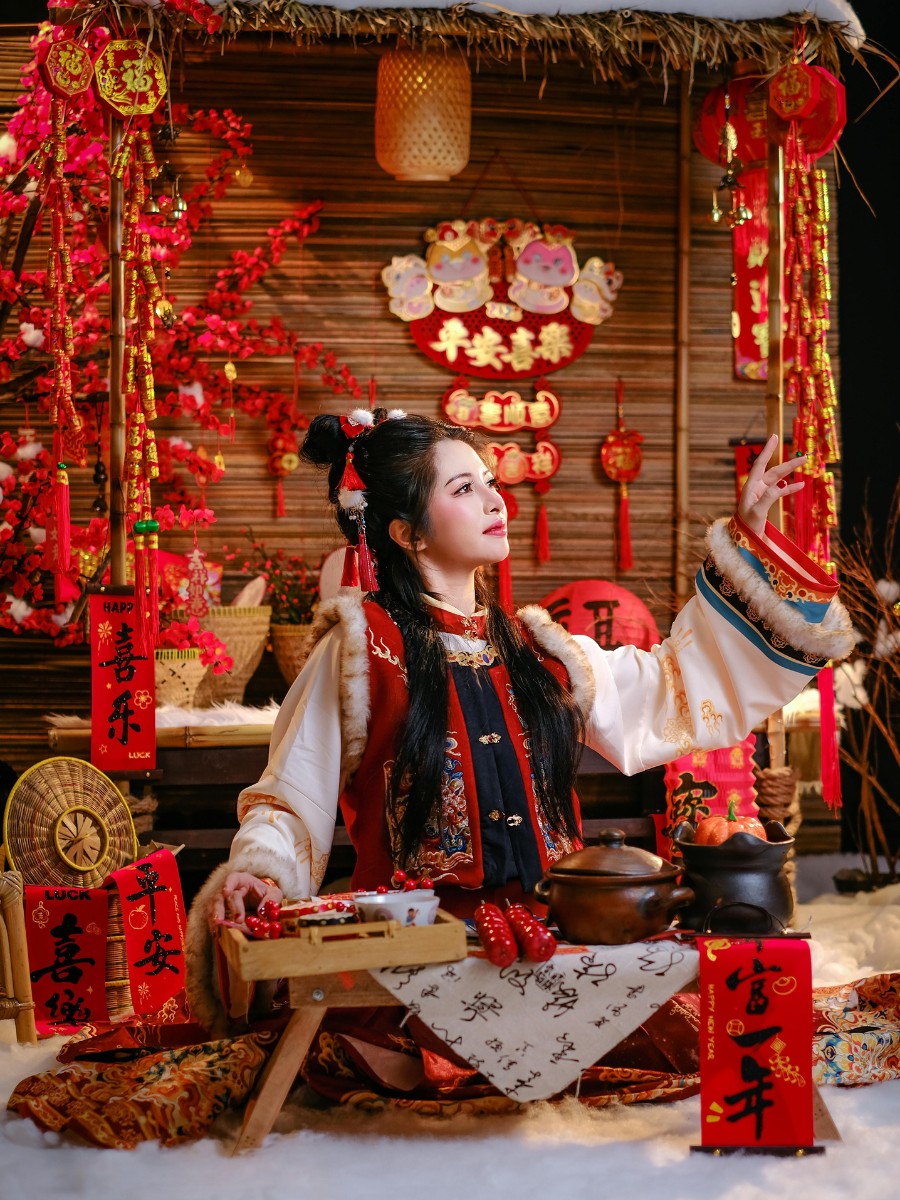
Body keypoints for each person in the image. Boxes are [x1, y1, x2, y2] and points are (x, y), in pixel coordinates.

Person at [185, 408, 855, 1043]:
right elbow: (290, 796)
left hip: (556, 949)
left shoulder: (540, 649)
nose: (494, 501)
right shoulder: (365, 650)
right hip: (417, 963)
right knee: (397, 1065)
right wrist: (262, 875)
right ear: (407, 531)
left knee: (713, 1033)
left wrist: (749, 539)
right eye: (464, 487)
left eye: (490, 483)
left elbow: (669, 691)